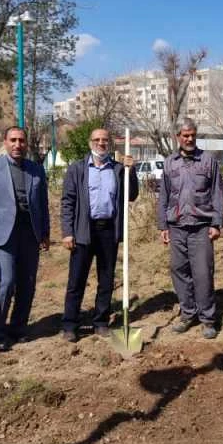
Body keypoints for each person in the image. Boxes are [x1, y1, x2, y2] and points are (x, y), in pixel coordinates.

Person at [0, 126, 50, 351]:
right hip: (2, 234)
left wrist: (45, 232)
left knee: (27, 283)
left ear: (26, 144)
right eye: (13, 140)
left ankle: (18, 328)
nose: (18, 144)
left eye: (22, 141)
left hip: (30, 233)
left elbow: (42, 204)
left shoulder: (36, 169)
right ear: (5, 142)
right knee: (5, 282)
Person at [60, 128, 138, 341]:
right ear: (90, 142)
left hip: (108, 232)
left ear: (110, 143)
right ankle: (70, 324)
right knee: (76, 280)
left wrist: (132, 172)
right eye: (97, 139)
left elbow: (131, 196)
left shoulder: (119, 169)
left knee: (106, 279)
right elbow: (67, 202)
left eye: (105, 140)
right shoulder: (77, 169)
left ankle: (101, 321)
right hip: (83, 231)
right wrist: (67, 232)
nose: (101, 143)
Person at [157, 118, 223, 339]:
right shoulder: (169, 163)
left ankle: (207, 318)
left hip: (201, 227)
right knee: (179, 270)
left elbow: (217, 193)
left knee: (203, 272)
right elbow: (164, 196)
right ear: (178, 137)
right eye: (185, 135)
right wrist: (163, 225)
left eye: (192, 135)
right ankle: (187, 314)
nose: (189, 139)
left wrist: (217, 223)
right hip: (176, 227)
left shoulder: (208, 161)